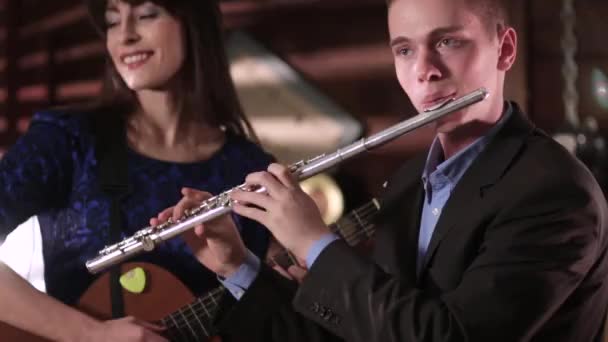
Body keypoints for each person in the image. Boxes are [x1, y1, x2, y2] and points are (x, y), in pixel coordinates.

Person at [163, 0, 608, 341]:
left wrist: (315, 243)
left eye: (448, 42)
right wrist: (236, 263)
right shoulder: (410, 180)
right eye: (405, 49)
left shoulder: (554, 192)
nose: (424, 71)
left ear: (505, 49)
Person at [0, 0, 276, 341]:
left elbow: (266, 315)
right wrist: (88, 333)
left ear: (195, 24)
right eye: (113, 22)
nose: (125, 36)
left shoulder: (251, 170)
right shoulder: (69, 139)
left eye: (146, 15)